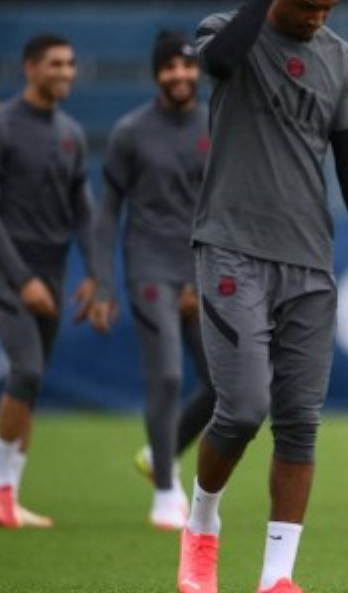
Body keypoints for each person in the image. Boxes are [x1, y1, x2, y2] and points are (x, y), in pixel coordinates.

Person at [175, 0, 348, 592]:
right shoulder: (229, 30)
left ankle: (277, 576)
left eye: (329, 8)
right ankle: (202, 521)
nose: (318, 19)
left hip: (309, 261)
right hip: (232, 247)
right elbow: (216, 62)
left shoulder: (340, 61)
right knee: (241, 408)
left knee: (299, 420)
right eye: (307, 4)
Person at [89, 31, 215, 531]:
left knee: (227, 389)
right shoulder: (130, 131)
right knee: (165, 375)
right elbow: (107, 210)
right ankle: (165, 490)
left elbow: (224, 204)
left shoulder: (217, 124)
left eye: (187, 67)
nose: (180, 75)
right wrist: (101, 281)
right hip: (148, 267)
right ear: (156, 74)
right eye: (169, 68)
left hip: (203, 270)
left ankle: (160, 454)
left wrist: (208, 271)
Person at [0, 33, 97, 529]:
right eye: (56, 64)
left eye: (70, 63)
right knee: (25, 370)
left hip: (53, 271)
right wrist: (21, 279)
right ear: (30, 68)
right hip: (7, 271)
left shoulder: (70, 132)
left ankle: (8, 496)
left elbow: (83, 213)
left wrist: (94, 274)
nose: (66, 72)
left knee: (34, 381)